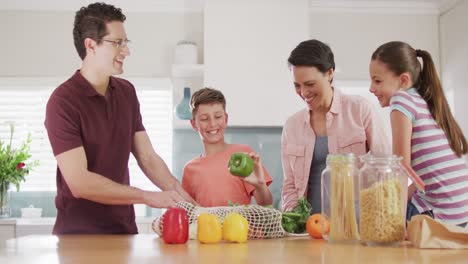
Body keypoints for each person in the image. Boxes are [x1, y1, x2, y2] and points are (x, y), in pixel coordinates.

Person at [44, 2, 195, 235]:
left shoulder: (126, 92)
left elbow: (147, 157)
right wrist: (147, 197)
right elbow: (79, 182)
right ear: (91, 45)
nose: (126, 51)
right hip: (78, 234)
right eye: (117, 43)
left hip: (123, 230)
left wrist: (188, 202)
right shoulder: (63, 102)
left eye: (126, 42)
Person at [282, 39, 390, 213]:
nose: (303, 92)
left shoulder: (359, 109)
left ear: (329, 73)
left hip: (357, 225)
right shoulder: (292, 125)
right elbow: (290, 185)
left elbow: (385, 168)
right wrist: (294, 220)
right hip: (310, 229)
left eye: (309, 84)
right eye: (297, 86)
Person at [369, 41, 468, 227]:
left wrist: (388, 208)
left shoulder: (401, 99)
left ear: (403, 80)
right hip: (461, 212)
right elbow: (417, 176)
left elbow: (401, 167)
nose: (371, 88)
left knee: (373, 212)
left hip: (440, 214)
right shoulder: (423, 100)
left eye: (378, 81)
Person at [181, 88, 273, 207]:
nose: (212, 124)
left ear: (226, 119)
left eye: (218, 117)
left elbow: (266, 203)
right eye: (204, 119)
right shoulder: (190, 169)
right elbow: (188, 212)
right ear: (194, 124)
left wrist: (260, 185)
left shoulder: (243, 155)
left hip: (242, 226)